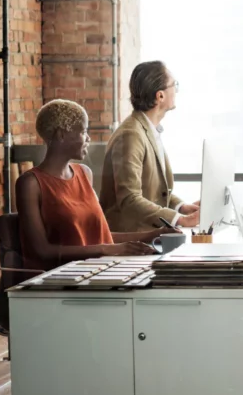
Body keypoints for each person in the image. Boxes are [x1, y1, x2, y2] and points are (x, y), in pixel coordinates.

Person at [17, 100, 159, 271]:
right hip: (56, 281)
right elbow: (42, 251)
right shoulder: (30, 183)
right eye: (83, 131)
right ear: (62, 135)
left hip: (93, 272)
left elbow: (98, 237)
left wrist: (152, 235)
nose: (88, 138)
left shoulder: (84, 174)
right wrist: (107, 250)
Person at [99, 61, 200, 232]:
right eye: (174, 85)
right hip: (130, 239)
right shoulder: (131, 135)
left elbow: (153, 191)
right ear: (160, 96)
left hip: (148, 235)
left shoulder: (148, 130)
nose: (176, 90)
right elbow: (130, 199)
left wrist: (181, 207)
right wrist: (180, 220)